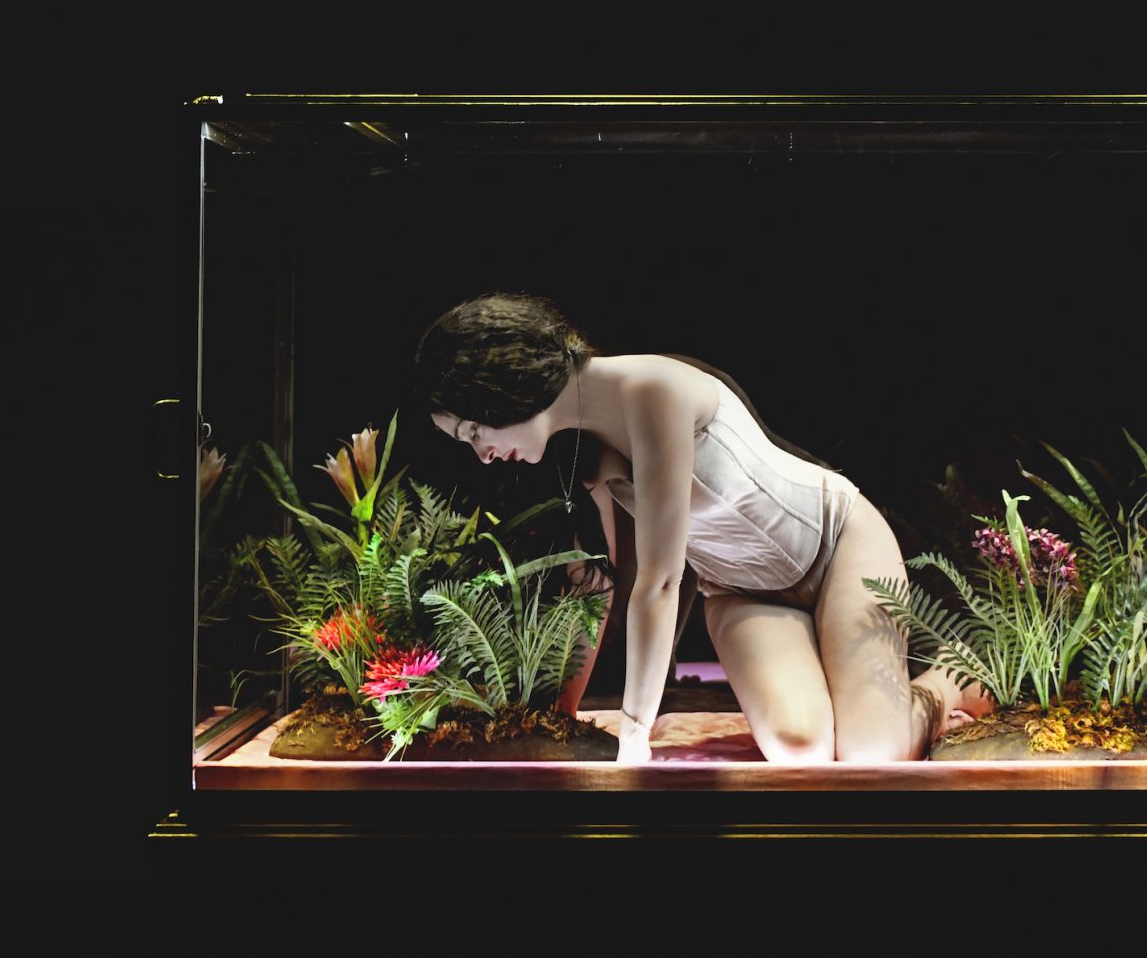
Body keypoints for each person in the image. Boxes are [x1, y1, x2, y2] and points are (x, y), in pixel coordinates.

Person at [414, 291, 992, 765]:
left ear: (500, 386)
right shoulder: (579, 453)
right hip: (741, 591)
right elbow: (603, 588)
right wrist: (558, 712)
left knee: (872, 753)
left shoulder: (653, 389)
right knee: (800, 749)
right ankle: (849, 680)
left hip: (840, 544)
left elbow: (661, 581)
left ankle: (948, 683)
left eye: (473, 432)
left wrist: (635, 735)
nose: (482, 454)